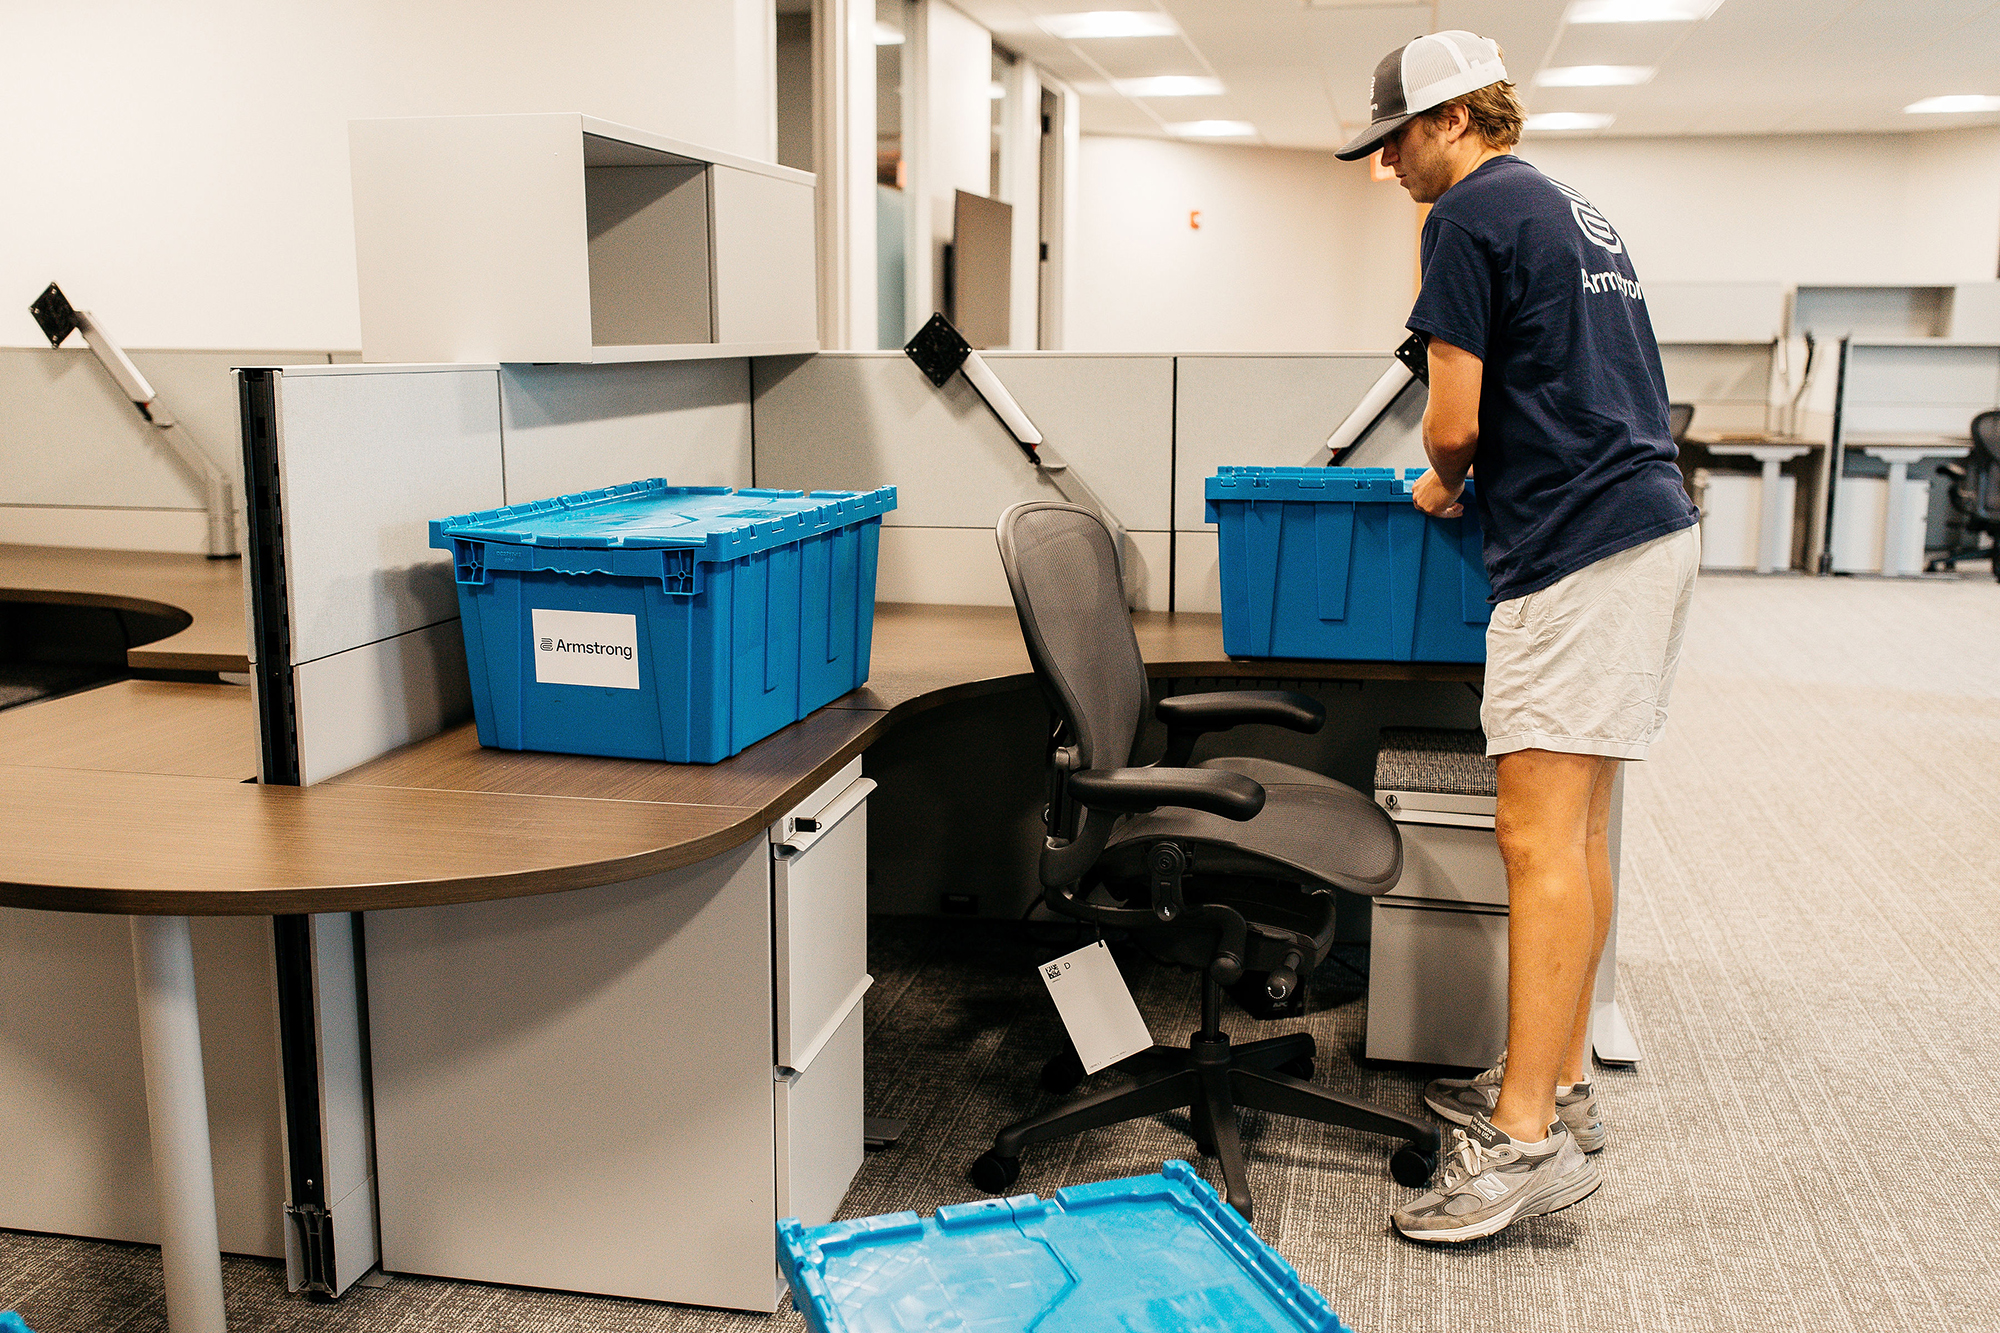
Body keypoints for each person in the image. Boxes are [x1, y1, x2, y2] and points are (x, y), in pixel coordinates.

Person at [1334, 31, 1700, 1243]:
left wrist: (1443, 482)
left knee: (1533, 837)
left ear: (1445, 118)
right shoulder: (1564, 203)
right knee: (1578, 829)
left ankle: (1524, 1139)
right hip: (1644, 525)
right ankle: (1557, 1086)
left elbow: (1452, 422)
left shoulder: (1469, 216)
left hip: (1579, 547)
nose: (1386, 166)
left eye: (1392, 140)